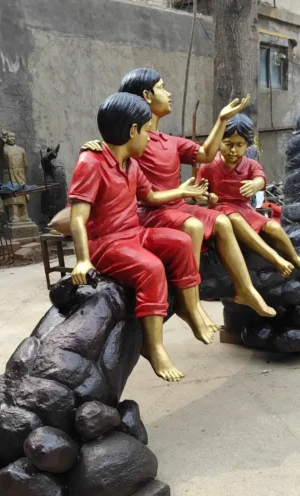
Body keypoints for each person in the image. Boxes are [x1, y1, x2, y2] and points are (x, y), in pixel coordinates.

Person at [82, 68, 277, 321]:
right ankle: (190, 299)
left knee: (222, 221)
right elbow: (117, 158)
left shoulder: (168, 141)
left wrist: (221, 120)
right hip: (153, 212)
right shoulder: (132, 140)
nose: (169, 93)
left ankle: (245, 289)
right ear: (146, 95)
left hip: (177, 206)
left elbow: (206, 154)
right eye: (162, 87)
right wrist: (96, 146)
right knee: (194, 226)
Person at [68, 92, 214, 383]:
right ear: (132, 131)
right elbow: (77, 218)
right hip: (107, 244)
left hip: (134, 233)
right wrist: (83, 260)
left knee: (183, 242)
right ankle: (154, 346)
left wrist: (184, 192)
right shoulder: (92, 162)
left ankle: (189, 306)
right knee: (152, 268)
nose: (149, 139)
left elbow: (150, 196)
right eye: (147, 131)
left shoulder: (132, 164)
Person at [198, 114, 300, 276]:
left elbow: (260, 178)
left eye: (239, 145)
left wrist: (254, 185)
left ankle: (295, 257)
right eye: (228, 144)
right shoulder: (209, 165)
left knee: (272, 226)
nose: (233, 150)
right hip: (221, 211)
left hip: (245, 209)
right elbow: (198, 192)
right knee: (234, 218)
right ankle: (274, 258)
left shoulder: (250, 164)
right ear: (219, 141)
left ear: (247, 146)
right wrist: (207, 197)